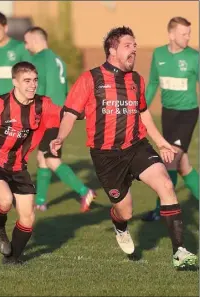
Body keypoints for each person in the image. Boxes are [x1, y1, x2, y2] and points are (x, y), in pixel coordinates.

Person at [50, 27, 198, 269]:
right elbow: (69, 113)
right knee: (125, 211)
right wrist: (60, 138)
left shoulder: (136, 80)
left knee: (166, 184)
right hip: (106, 156)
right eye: (129, 45)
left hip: (136, 146)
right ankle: (120, 226)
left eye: (135, 45)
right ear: (112, 50)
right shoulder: (91, 79)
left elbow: (143, 114)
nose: (135, 49)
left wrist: (160, 142)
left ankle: (179, 251)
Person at [0, 61, 61, 265]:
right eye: (26, 81)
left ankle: (12, 259)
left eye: (35, 80)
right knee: (6, 199)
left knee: (28, 217)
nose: (32, 85)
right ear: (14, 82)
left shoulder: (42, 105)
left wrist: (92, 108)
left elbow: (66, 114)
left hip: (18, 165)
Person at [24, 26, 96, 212]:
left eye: (27, 41)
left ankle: (83, 191)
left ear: (35, 40)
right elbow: (63, 90)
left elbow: (38, 89)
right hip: (60, 114)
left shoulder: (38, 59)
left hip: (47, 115)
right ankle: (40, 201)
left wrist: (31, 112)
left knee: (51, 159)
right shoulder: (58, 60)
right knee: (43, 156)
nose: (25, 45)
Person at [142, 17, 199, 222]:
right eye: (184, 33)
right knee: (182, 165)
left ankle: (163, 210)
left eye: (189, 33)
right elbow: (153, 83)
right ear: (171, 34)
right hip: (168, 114)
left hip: (187, 114)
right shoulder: (159, 54)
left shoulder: (194, 57)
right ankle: (162, 209)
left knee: (171, 160)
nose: (188, 37)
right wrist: (141, 109)